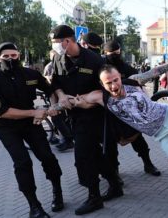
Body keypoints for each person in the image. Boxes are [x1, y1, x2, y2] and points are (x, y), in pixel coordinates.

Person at [0, 42, 64, 218]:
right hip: (6, 127)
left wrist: (54, 106)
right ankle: (34, 206)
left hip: (31, 124)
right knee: (23, 163)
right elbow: (4, 111)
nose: (11, 59)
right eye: (6, 56)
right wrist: (35, 112)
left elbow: (50, 89)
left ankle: (57, 192)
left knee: (47, 157)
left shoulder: (31, 74)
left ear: (19, 55)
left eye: (14, 55)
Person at [49, 25, 122, 215]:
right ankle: (115, 184)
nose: (54, 46)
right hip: (74, 115)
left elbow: (107, 89)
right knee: (95, 154)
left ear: (68, 41)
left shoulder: (93, 60)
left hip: (93, 114)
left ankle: (94, 197)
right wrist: (62, 95)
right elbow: (55, 82)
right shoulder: (58, 58)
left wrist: (87, 103)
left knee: (83, 157)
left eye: (56, 42)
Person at [102, 40, 161, 177]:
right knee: (110, 144)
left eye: (117, 53)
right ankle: (114, 172)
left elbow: (139, 85)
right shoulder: (102, 68)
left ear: (120, 52)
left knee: (138, 139)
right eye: (111, 54)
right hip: (109, 112)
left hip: (129, 111)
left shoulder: (127, 68)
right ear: (106, 54)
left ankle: (148, 164)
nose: (115, 56)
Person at [43, 49, 74, 152]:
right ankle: (66, 139)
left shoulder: (58, 65)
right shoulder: (52, 66)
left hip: (61, 97)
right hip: (56, 96)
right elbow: (48, 80)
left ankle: (67, 139)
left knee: (59, 118)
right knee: (58, 117)